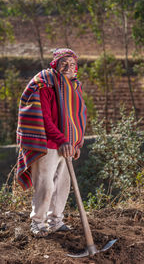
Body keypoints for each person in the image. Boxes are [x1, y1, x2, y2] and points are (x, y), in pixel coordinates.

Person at [16, 48, 87, 237]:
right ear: (55, 64)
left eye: (72, 64)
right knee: (45, 185)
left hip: (66, 145)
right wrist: (62, 140)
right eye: (64, 63)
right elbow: (44, 118)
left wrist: (76, 143)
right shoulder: (45, 84)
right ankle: (38, 223)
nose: (68, 67)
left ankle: (55, 221)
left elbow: (78, 117)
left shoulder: (74, 87)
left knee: (63, 185)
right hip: (47, 143)